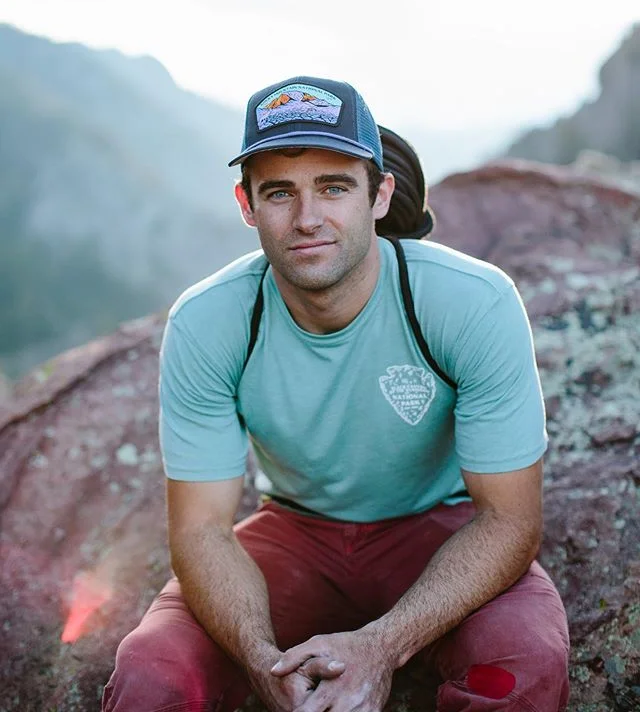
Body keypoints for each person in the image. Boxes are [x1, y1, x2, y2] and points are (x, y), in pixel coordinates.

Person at [103, 76, 570, 712]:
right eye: (279, 192)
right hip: (295, 533)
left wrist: (382, 647)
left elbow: (510, 519)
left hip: (440, 530)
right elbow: (203, 529)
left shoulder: (470, 303)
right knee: (152, 674)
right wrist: (262, 663)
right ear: (247, 205)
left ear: (379, 195)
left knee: (519, 669)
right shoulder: (210, 321)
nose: (307, 218)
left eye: (334, 187)